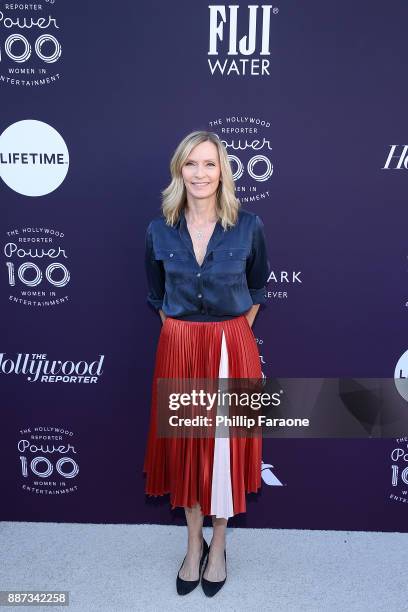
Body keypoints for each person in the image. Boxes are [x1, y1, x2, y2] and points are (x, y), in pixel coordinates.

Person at [143, 130, 270, 597]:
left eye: (210, 164)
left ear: (223, 172)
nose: (200, 173)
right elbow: (157, 295)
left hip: (230, 344)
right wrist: (184, 333)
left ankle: (218, 545)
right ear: (180, 170)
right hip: (178, 345)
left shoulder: (249, 225)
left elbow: (256, 289)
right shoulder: (159, 229)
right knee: (186, 449)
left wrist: (231, 334)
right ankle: (192, 544)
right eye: (191, 164)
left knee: (223, 449)